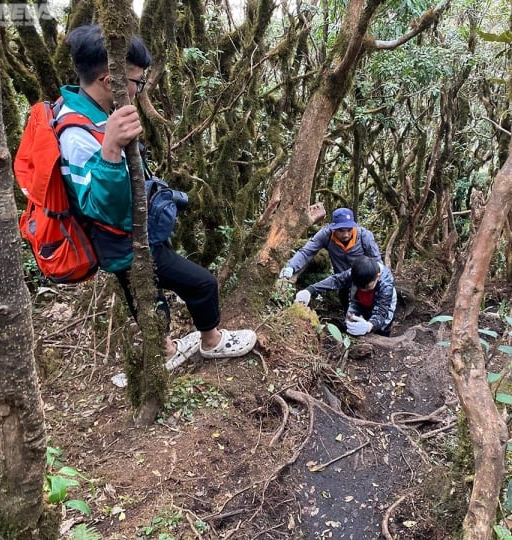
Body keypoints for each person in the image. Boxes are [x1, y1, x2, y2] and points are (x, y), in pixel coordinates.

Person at [59, 24, 256, 366]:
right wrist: (110, 149)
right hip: (122, 241)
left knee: (146, 298)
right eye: (137, 81)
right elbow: (100, 207)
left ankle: (164, 350)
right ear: (110, 80)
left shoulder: (91, 112)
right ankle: (211, 340)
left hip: (133, 236)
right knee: (202, 283)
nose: (139, 89)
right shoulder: (77, 133)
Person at [279, 207, 381, 307]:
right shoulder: (326, 235)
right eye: (341, 230)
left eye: (349, 230)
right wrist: (291, 266)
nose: (346, 234)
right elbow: (306, 252)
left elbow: (377, 262)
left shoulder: (364, 236)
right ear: (334, 228)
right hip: (342, 283)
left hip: (365, 280)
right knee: (348, 311)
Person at [295, 256, 396, 336]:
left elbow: (382, 311)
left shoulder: (386, 284)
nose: (362, 289)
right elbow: (336, 280)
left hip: (383, 308)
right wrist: (310, 290)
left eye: (367, 287)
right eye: (359, 286)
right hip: (359, 301)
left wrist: (370, 326)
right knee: (350, 323)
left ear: (378, 277)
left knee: (381, 328)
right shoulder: (356, 272)